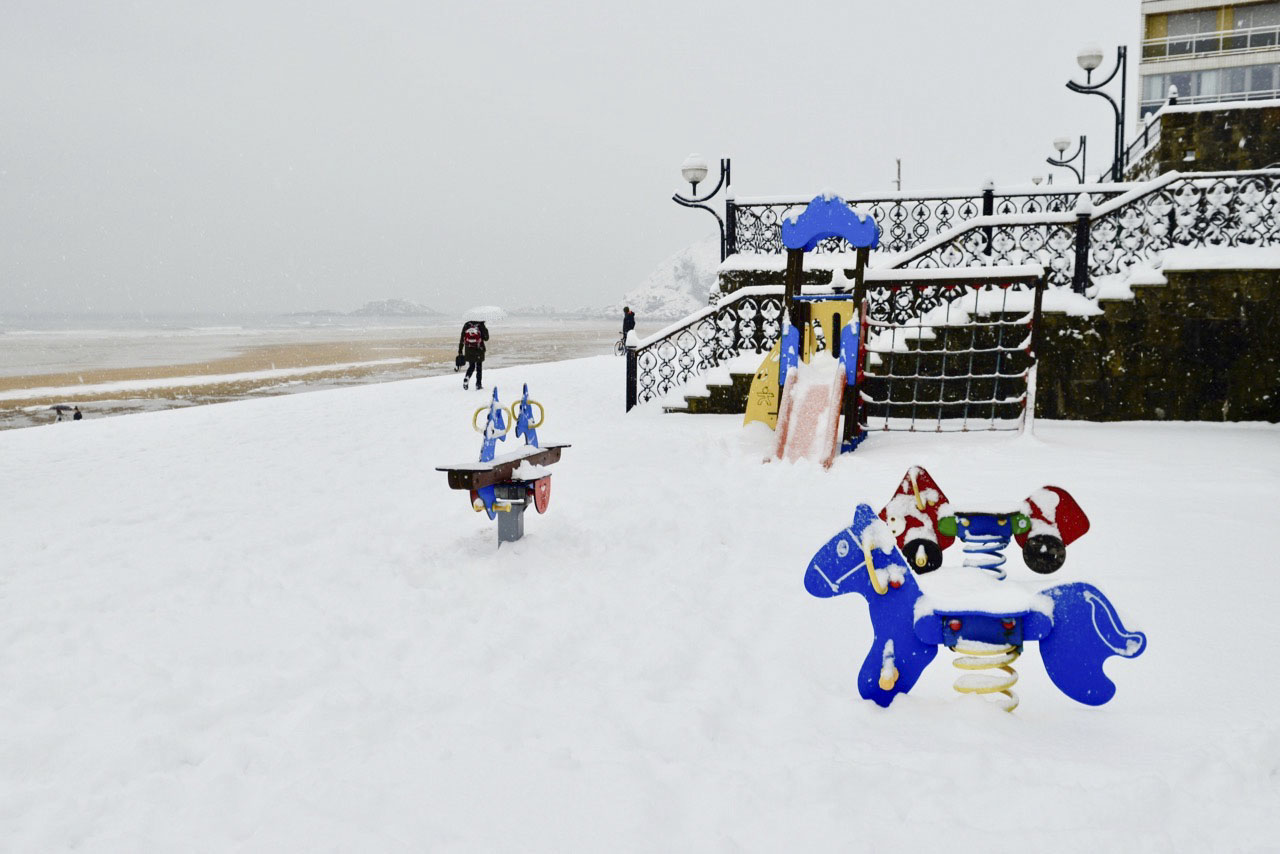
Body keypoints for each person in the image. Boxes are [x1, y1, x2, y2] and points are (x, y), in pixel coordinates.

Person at [457, 319, 489, 390]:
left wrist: (460, 350)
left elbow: (462, 338)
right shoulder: (481, 325)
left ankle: (467, 377)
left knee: (471, 366)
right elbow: (486, 338)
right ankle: (478, 384)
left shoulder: (467, 324)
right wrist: (485, 328)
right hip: (479, 349)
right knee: (479, 367)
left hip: (469, 349)